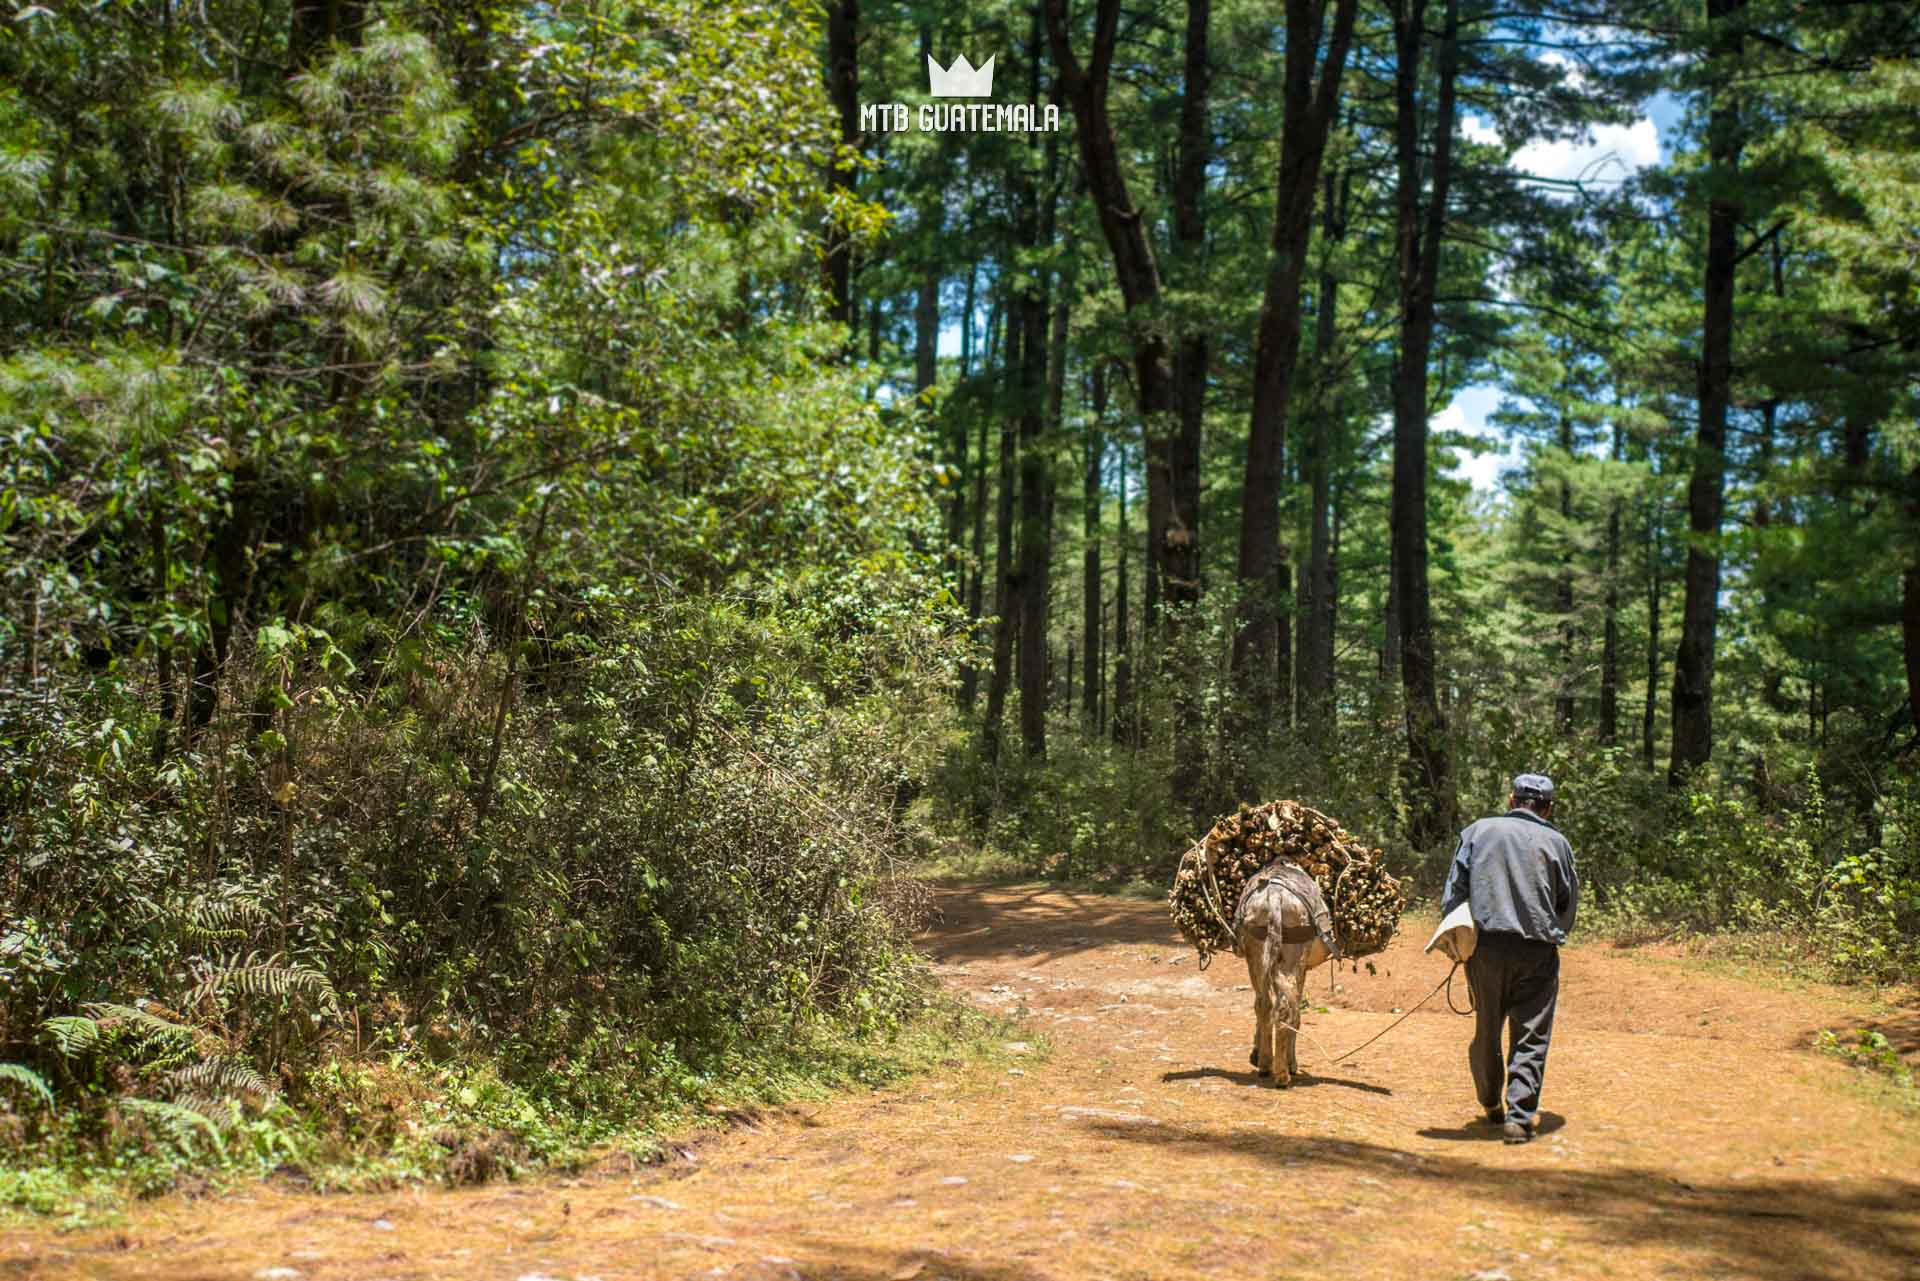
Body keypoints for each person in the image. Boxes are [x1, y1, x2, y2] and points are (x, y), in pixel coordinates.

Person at [1440, 772, 1579, 1145]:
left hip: (1486, 949)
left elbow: (1455, 891)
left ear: (1511, 800)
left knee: (1487, 1028)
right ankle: (1519, 1117)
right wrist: (1554, 934)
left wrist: (1459, 939)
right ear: (1548, 808)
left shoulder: (1477, 831)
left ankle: (1489, 1102)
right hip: (1537, 949)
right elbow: (1567, 902)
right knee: (1531, 1034)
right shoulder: (1558, 843)